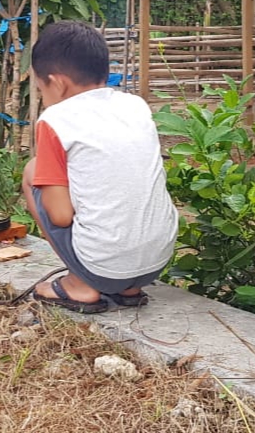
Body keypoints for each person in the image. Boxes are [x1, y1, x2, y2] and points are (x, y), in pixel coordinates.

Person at [24, 21, 178, 313]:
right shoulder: (135, 106)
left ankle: (79, 285)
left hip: (103, 267)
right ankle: (129, 289)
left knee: (33, 171)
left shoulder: (56, 119)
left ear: (57, 83)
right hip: (157, 261)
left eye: (41, 88)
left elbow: (59, 216)